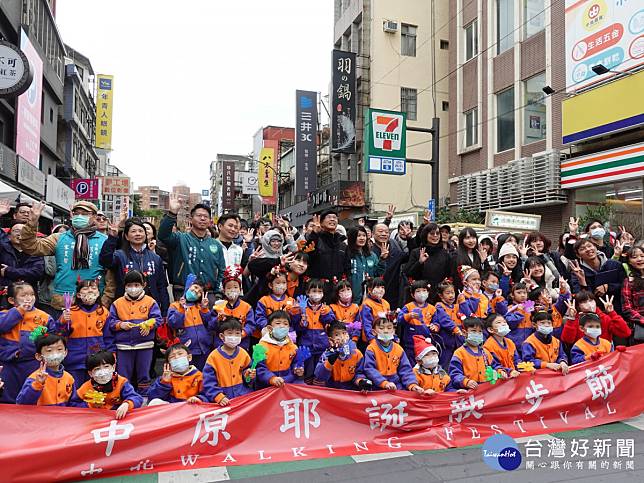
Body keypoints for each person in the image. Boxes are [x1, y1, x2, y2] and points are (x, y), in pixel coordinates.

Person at [19, 200, 110, 313]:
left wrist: (105, 300)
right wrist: (32, 223)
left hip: (93, 300)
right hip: (63, 300)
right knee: (60, 329)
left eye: (85, 214)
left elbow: (111, 275)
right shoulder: (59, 238)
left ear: (94, 216)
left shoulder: (105, 240)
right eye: (76, 213)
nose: (80, 216)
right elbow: (31, 247)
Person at [158, 194, 226, 300]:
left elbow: (222, 270)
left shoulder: (216, 244)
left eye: (206, 216)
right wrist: (172, 213)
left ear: (210, 221)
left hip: (208, 293)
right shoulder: (180, 238)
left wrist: (217, 292)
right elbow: (163, 235)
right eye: (199, 215)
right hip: (183, 291)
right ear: (191, 218)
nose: (202, 218)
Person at [107, 270, 163, 394]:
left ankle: (144, 396)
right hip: (123, 346)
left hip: (145, 345)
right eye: (129, 285)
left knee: (144, 372)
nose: (133, 288)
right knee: (124, 373)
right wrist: (120, 325)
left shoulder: (150, 302)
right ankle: (125, 395)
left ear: (143, 285)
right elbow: (110, 322)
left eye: (136, 285)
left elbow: (158, 319)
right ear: (125, 286)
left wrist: (148, 324)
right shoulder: (117, 303)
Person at [99, 217, 169, 315]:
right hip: (125, 307)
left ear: (145, 235)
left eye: (141, 231)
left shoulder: (156, 258)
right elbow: (105, 261)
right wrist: (112, 238)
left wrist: (165, 311)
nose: (138, 234)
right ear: (127, 236)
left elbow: (162, 286)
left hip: (150, 308)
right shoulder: (120, 255)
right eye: (133, 231)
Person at [0, 281, 55, 403]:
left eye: (31, 295)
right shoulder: (4, 314)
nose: (28, 298)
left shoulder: (44, 317)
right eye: (23, 296)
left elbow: (51, 339)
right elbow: (2, 326)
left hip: (32, 363)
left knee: (29, 395)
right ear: (11, 300)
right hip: (8, 363)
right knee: (6, 397)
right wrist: (19, 311)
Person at [54, 279, 108, 385]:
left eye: (93, 288)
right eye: (85, 288)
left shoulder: (103, 312)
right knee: (74, 390)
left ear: (98, 293)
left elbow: (108, 337)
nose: (90, 291)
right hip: (74, 360)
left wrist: (110, 354)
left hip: (96, 360)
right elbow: (60, 334)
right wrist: (63, 321)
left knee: (94, 391)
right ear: (78, 294)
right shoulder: (70, 312)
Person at [73, 350, 143, 419]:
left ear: (113, 367)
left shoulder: (121, 383)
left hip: (118, 419)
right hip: (95, 420)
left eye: (106, 366)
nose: (102, 372)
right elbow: (73, 403)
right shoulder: (86, 387)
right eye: (97, 369)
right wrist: (90, 405)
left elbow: (137, 398)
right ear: (90, 373)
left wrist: (127, 404)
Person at [362, 316, 423, 393]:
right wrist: (384, 383)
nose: (386, 331)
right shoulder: (371, 349)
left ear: (394, 331)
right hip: (377, 386)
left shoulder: (398, 348)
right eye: (381, 328)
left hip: (396, 386)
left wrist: (412, 385)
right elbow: (369, 369)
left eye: (389, 328)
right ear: (374, 332)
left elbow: (406, 369)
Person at [202, 317, 255, 404]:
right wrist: (218, 396)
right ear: (222, 336)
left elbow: (248, 378)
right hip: (223, 401)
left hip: (243, 399)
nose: (234, 337)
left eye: (237, 333)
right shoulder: (213, 357)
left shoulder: (243, 353)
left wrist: (248, 376)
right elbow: (208, 382)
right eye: (230, 334)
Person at [167, 278, 217, 369]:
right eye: (195, 287)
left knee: (203, 374)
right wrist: (181, 310)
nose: (196, 291)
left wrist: (205, 309)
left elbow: (209, 324)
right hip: (185, 350)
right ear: (188, 287)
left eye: (199, 292)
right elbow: (173, 324)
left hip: (204, 349)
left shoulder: (201, 307)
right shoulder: (175, 306)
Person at [290, 279, 335, 379]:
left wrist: (326, 313)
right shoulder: (303, 307)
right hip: (306, 344)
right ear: (307, 292)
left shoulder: (326, 308)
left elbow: (331, 322)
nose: (317, 294)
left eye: (320, 291)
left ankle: (319, 389)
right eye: (314, 291)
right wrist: (298, 314)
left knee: (321, 371)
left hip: (322, 345)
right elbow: (297, 326)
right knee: (308, 372)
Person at [16, 331, 76, 406]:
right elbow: (21, 404)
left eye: (59, 349)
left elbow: (73, 403)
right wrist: (37, 384)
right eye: (49, 350)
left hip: (62, 417)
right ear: (38, 356)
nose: (55, 354)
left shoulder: (69, 378)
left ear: (65, 352)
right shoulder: (34, 378)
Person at [448, 317, 508, 391]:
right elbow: (455, 374)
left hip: (486, 390)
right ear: (464, 332)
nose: (477, 334)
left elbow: (495, 366)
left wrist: (500, 372)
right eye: (473, 331)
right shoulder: (459, 353)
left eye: (480, 331)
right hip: (469, 392)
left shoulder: (486, 352)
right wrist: (466, 381)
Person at [569, 239, 626, 313]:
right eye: (582, 249)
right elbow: (580, 298)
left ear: (596, 247)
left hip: (619, 309)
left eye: (589, 246)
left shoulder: (614, 264)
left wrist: (608, 287)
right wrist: (583, 282)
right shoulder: (577, 272)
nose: (588, 249)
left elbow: (625, 285)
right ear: (578, 255)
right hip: (596, 313)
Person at [304, 211, 350, 297]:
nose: (332, 219)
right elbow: (307, 255)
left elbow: (347, 268)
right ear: (321, 223)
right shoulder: (317, 239)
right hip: (318, 289)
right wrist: (314, 234)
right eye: (329, 217)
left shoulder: (342, 244)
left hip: (337, 289)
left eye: (335, 217)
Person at [404, 223, 453, 303]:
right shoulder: (417, 252)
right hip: (421, 296)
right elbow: (409, 273)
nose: (435, 236)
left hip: (439, 296)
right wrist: (420, 262)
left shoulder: (445, 254)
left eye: (437, 233)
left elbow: (449, 274)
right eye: (432, 233)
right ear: (425, 235)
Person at [313, 321, 369, 391]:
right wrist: (329, 362)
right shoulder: (327, 354)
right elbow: (319, 377)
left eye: (344, 333)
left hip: (351, 390)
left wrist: (360, 381)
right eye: (337, 335)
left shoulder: (356, 354)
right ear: (330, 339)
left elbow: (359, 373)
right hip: (333, 390)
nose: (342, 337)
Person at [560, 290, 630, 345]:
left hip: (605, 354)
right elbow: (567, 340)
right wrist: (572, 319)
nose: (589, 304)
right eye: (584, 302)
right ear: (578, 306)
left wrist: (612, 313)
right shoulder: (576, 320)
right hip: (584, 356)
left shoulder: (605, 318)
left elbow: (625, 333)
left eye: (591, 300)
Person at [256, 311, 304, 388]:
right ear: (269, 328)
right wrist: (271, 378)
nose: (282, 326)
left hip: (288, 384)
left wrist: (298, 369)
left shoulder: (293, 347)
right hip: (267, 386)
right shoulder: (261, 347)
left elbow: (296, 363)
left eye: (285, 324)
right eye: (278, 323)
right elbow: (259, 368)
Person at [0, 208, 45, 291]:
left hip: (28, 294)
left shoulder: (35, 251)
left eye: (23, 231)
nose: (19, 234)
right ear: (9, 236)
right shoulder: (3, 249)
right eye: (16, 231)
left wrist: (8, 271)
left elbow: (37, 273)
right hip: (4, 293)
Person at [213, 265, 255, 350]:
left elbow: (251, 325)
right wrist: (217, 319)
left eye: (235, 287)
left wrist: (242, 334)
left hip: (242, 344)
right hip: (221, 345)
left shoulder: (247, 307)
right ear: (224, 291)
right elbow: (210, 325)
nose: (232, 290)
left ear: (240, 289)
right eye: (229, 288)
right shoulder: (218, 306)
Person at [397, 280, 438, 364]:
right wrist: (409, 316)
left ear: (428, 292)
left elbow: (436, 322)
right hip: (410, 343)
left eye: (424, 290)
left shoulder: (432, 308)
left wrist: (435, 327)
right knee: (410, 363)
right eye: (418, 291)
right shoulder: (408, 307)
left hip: (426, 343)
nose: (421, 293)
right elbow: (399, 320)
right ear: (412, 294)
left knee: (425, 362)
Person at [347, 226, 386, 304]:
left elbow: (378, 274)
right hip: (351, 297)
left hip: (369, 296)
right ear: (352, 237)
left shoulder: (371, 255)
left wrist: (382, 259)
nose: (362, 238)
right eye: (358, 236)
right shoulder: (347, 254)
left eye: (364, 235)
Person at [255, 267, 297, 338]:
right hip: (269, 333)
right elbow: (259, 318)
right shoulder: (264, 301)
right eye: (278, 283)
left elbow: (293, 320)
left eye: (284, 283)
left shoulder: (291, 301)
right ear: (270, 285)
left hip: (286, 334)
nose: (281, 285)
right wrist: (272, 327)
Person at [433, 280, 464, 368]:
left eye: (453, 292)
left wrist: (463, 301)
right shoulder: (439, 306)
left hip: (458, 341)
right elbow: (444, 320)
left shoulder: (457, 306)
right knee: (445, 365)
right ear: (440, 295)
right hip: (446, 342)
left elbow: (467, 314)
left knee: (459, 363)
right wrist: (454, 328)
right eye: (448, 293)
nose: (451, 295)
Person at [622, 246, 644, 343]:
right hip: (640, 326)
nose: (639, 259)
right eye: (634, 257)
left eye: (642, 256)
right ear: (629, 262)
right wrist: (642, 320)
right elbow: (627, 309)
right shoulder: (629, 282)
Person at [359, 277, 390, 344]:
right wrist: (371, 340)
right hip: (370, 340)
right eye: (378, 287)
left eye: (382, 287)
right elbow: (366, 325)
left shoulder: (386, 303)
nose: (381, 290)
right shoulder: (367, 304)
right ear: (370, 289)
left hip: (384, 338)